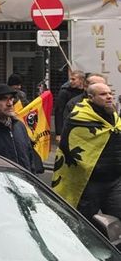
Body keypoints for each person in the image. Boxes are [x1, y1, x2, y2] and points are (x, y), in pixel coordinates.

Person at [52, 83, 121, 219]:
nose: (109, 97)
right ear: (91, 97)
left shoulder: (113, 115)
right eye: (103, 94)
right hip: (90, 182)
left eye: (110, 93)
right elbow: (67, 146)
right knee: (85, 222)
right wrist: (90, 167)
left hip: (115, 181)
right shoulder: (79, 117)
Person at [54, 70, 86, 137]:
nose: (71, 81)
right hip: (69, 125)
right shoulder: (64, 92)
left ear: (82, 80)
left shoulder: (87, 92)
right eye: (70, 79)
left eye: (73, 79)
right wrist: (59, 132)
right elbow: (59, 112)